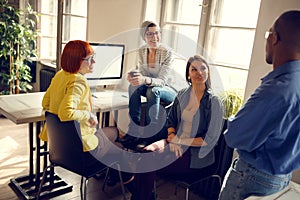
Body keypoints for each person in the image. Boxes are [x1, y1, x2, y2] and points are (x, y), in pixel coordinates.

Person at [219, 10, 300, 200]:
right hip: (282, 178)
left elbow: (234, 136)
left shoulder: (275, 90)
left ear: (273, 38)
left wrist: (234, 119)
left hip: (253, 179)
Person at [128, 55, 224, 200]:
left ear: (208, 72)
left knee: (147, 164)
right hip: (174, 141)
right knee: (146, 153)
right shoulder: (182, 94)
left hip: (196, 154)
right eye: (194, 69)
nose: (199, 73)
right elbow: (170, 121)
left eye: (203, 68)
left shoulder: (214, 102)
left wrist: (180, 141)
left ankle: (140, 193)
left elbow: (209, 140)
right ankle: (144, 194)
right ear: (188, 75)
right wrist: (172, 135)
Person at [39, 40, 133, 185]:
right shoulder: (78, 81)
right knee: (117, 139)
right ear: (77, 60)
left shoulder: (60, 75)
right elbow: (66, 113)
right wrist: (88, 115)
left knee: (113, 134)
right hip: (82, 152)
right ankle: (125, 180)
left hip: (61, 150)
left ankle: (115, 176)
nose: (94, 61)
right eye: (90, 59)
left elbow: (45, 103)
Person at [119, 21, 186, 149]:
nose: (154, 37)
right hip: (151, 86)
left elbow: (162, 81)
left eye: (157, 33)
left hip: (169, 89)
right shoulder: (142, 50)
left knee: (154, 91)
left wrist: (144, 80)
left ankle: (150, 135)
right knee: (133, 86)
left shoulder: (167, 52)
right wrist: (134, 76)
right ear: (143, 36)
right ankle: (134, 130)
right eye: (150, 34)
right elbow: (143, 73)